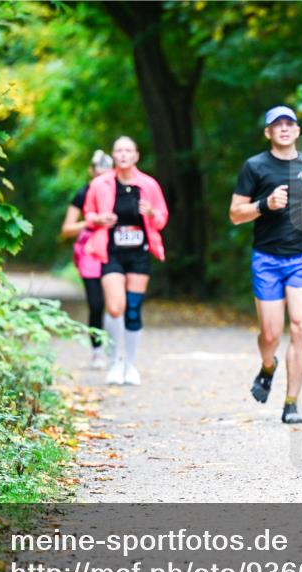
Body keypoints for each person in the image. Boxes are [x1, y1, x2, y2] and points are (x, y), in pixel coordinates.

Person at [229, 106, 302, 424]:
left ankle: (291, 403)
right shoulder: (255, 166)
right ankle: (268, 365)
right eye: (278, 124)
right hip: (267, 259)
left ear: (298, 130)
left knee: (301, 327)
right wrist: (265, 204)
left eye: (290, 123)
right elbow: (235, 214)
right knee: (271, 334)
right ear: (268, 132)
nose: (285, 128)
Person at [83, 136, 169, 386]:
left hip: (139, 253)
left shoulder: (149, 185)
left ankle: (130, 365)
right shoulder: (100, 184)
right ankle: (114, 362)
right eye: (119, 150)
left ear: (136, 155)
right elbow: (88, 214)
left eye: (128, 150)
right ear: (113, 155)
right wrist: (99, 219)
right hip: (111, 251)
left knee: (132, 308)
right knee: (114, 307)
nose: (123, 155)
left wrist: (151, 213)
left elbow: (162, 218)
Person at [60, 149, 115, 368]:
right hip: (89, 252)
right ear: (91, 171)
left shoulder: (117, 191)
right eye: (97, 173)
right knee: (96, 303)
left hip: (114, 249)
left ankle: (115, 349)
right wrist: (92, 222)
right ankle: (97, 351)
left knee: (115, 302)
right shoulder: (83, 193)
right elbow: (67, 229)